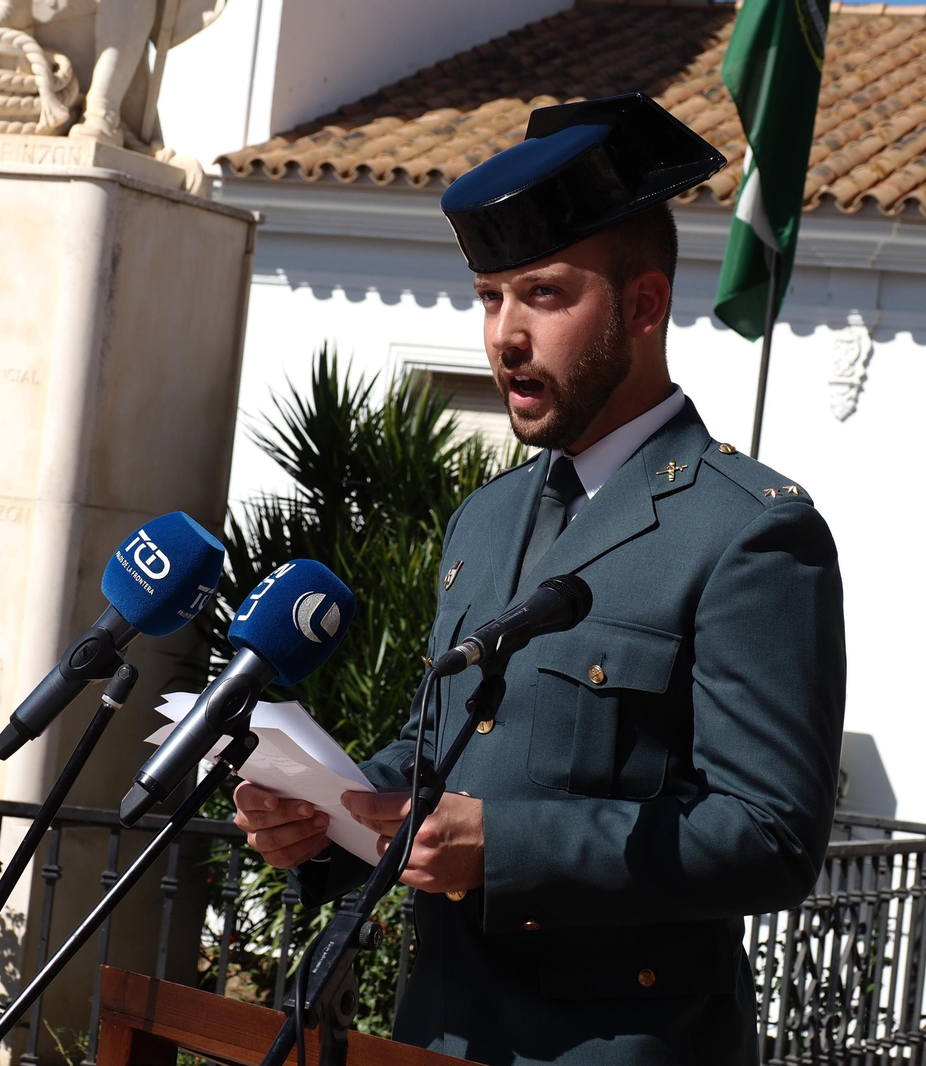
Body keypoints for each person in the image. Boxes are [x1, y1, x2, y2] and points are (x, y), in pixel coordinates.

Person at [232, 93, 847, 1066]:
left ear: (643, 306)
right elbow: (441, 747)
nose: (504, 335)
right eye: (489, 297)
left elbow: (770, 837)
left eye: (544, 295)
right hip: (436, 1032)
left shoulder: (750, 534)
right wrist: (328, 817)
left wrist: (509, 848)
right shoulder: (488, 516)